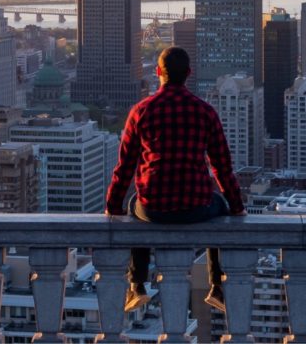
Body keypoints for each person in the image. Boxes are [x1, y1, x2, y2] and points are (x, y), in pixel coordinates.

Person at [105, 46, 247, 313]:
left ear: (158, 72)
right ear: (189, 74)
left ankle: (137, 284)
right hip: (197, 207)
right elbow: (222, 167)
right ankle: (217, 285)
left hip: (153, 209)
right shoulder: (205, 112)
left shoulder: (141, 110)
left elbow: (124, 167)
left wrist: (112, 207)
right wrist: (237, 207)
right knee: (221, 206)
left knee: (134, 201)